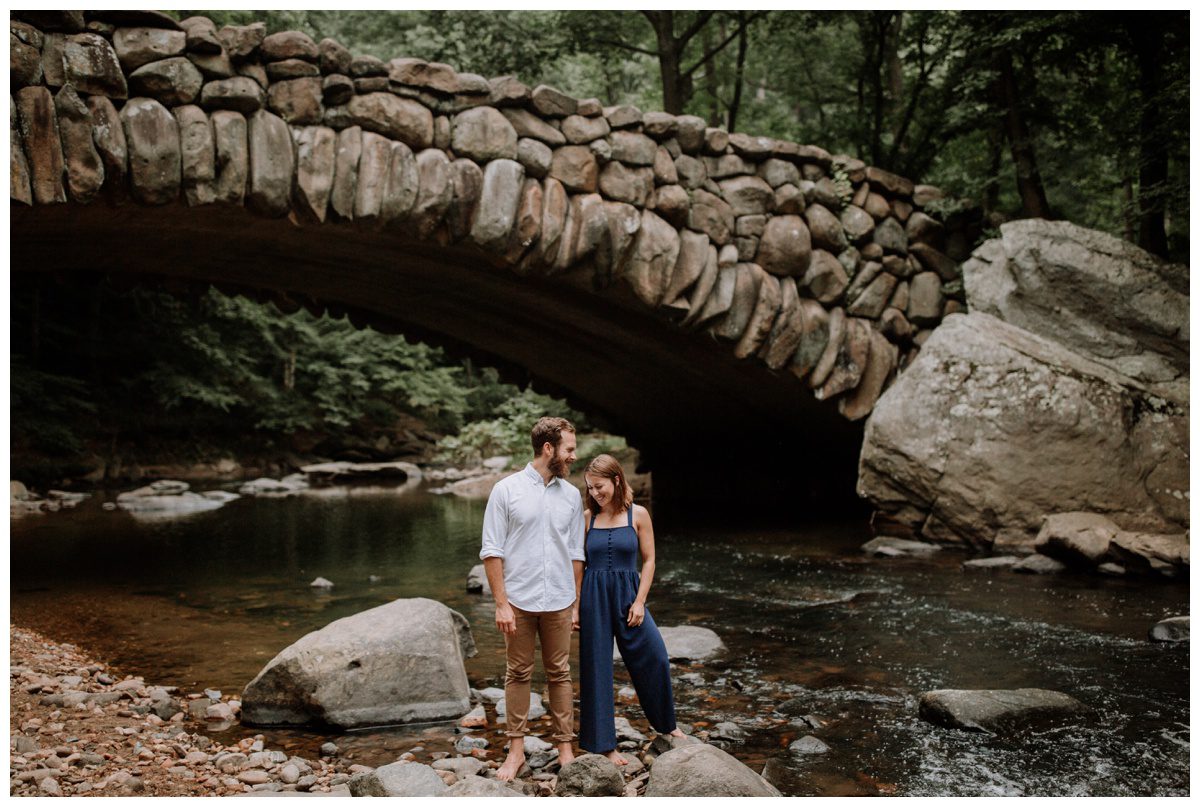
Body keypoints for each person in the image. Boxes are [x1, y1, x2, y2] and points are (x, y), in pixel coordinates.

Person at [479, 416, 585, 782]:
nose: (574, 456)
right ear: (548, 448)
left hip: (559, 599)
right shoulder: (505, 490)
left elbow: (576, 553)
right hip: (519, 601)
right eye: (569, 449)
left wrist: (576, 603)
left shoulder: (571, 495)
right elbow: (492, 550)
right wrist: (501, 603)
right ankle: (515, 751)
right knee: (518, 672)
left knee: (560, 673)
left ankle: (565, 748)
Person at [578, 453, 685, 764]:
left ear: (616, 480)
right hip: (594, 595)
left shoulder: (638, 514)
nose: (595, 493)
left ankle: (666, 724)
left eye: (599, 486)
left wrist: (639, 601)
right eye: (590, 488)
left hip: (628, 594)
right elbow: (577, 564)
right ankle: (604, 745)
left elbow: (649, 560)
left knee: (655, 655)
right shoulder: (587, 518)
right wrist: (575, 606)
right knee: (596, 668)